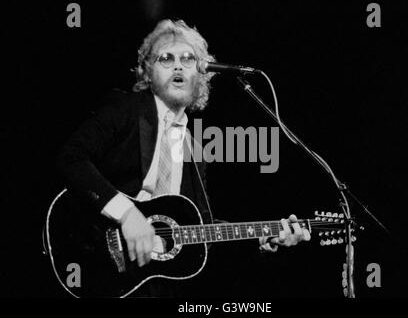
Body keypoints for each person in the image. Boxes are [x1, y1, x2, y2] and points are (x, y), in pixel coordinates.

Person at [57, 19, 310, 297]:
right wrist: (128, 215)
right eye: (166, 58)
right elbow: (72, 158)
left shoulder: (193, 147)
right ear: (147, 73)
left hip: (151, 281)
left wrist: (262, 236)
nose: (178, 65)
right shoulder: (125, 110)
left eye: (188, 59)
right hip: (94, 253)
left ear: (201, 75)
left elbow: (199, 227)